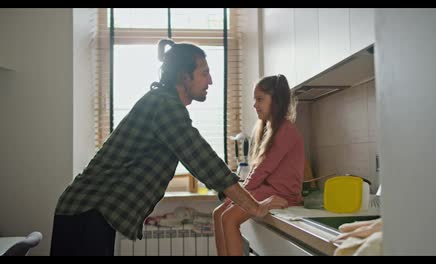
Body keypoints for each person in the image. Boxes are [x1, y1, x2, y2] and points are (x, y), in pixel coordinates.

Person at [50, 39, 288, 256]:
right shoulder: (164, 106)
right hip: (87, 212)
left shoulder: (164, 103)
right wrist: (255, 207)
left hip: (89, 212)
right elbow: (201, 159)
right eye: (204, 73)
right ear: (184, 76)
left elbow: (203, 164)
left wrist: (231, 194)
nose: (211, 81)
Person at [213, 74, 305, 256]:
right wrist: (239, 194)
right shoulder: (270, 129)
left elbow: (263, 169)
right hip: (267, 190)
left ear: (276, 101)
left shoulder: (285, 130)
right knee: (218, 214)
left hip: (282, 194)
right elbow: (258, 170)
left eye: (260, 99)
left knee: (229, 218)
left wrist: (239, 195)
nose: (255, 104)